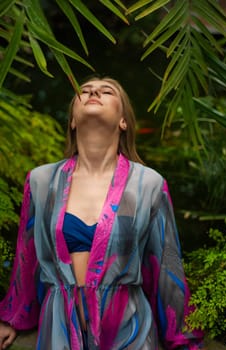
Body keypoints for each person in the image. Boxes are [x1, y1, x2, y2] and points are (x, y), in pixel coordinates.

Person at [0, 75, 205, 350]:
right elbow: (28, 261)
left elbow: (167, 268)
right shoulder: (40, 182)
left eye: (107, 91)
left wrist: (183, 340)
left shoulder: (148, 184)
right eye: (83, 91)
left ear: (123, 121)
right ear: (72, 120)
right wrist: (12, 318)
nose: (94, 91)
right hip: (59, 331)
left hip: (129, 331)